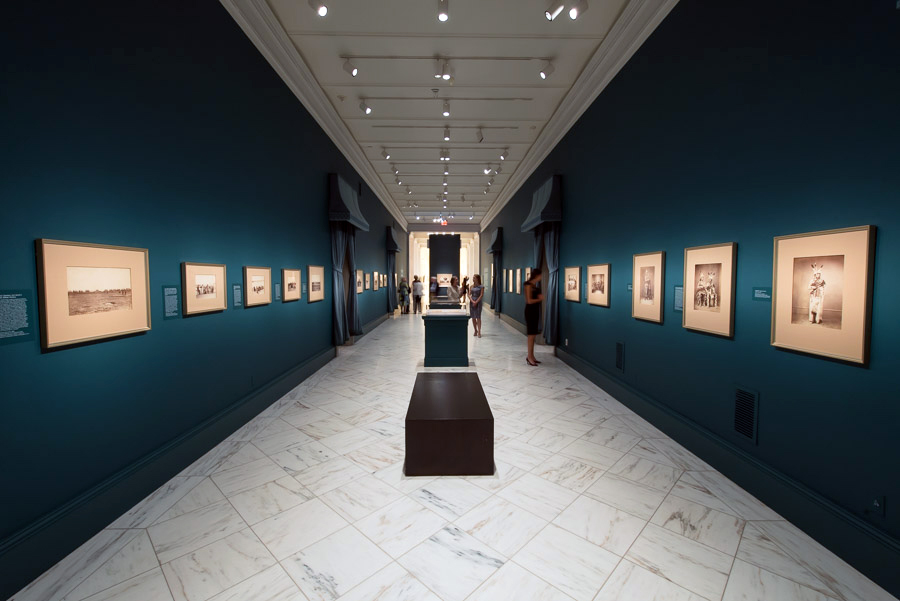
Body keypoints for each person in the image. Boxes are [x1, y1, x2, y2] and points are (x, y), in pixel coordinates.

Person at [524, 269, 543, 366]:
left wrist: (539, 298)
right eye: (540, 275)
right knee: (531, 335)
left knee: (534, 334)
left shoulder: (536, 286)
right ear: (537, 276)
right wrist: (539, 299)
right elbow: (529, 301)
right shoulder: (527, 284)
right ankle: (529, 357)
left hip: (535, 311)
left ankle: (532, 356)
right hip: (530, 312)